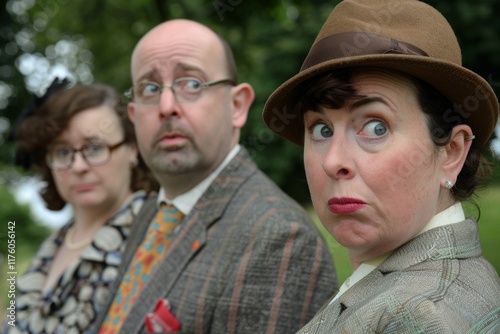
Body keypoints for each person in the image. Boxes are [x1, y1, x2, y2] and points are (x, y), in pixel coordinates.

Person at [263, 0, 500, 332]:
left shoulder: (416, 317)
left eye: (376, 127)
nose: (333, 162)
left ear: (451, 152)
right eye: (321, 129)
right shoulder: (443, 279)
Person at [92, 19, 338, 334]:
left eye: (192, 83)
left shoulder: (279, 239)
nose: (167, 106)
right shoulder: (151, 213)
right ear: (133, 116)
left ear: (237, 106)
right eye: (150, 88)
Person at [2, 80, 159, 334]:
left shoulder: (158, 236)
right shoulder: (53, 244)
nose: (77, 166)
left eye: (95, 148)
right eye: (63, 152)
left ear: (133, 149)